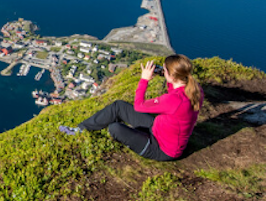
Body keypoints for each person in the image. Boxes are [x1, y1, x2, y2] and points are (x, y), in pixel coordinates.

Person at [59, 54, 203, 161]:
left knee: (115, 128)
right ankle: (81, 129)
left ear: (172, 75)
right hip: (161, 132)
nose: (163, 72)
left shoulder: (173, 101)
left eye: (164, 70)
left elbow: (139, 106)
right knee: (119, 106)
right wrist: (166, 77)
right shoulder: (194, 90)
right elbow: (174, 91)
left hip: (162, 149)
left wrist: (144, 80)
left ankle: (82, 131)